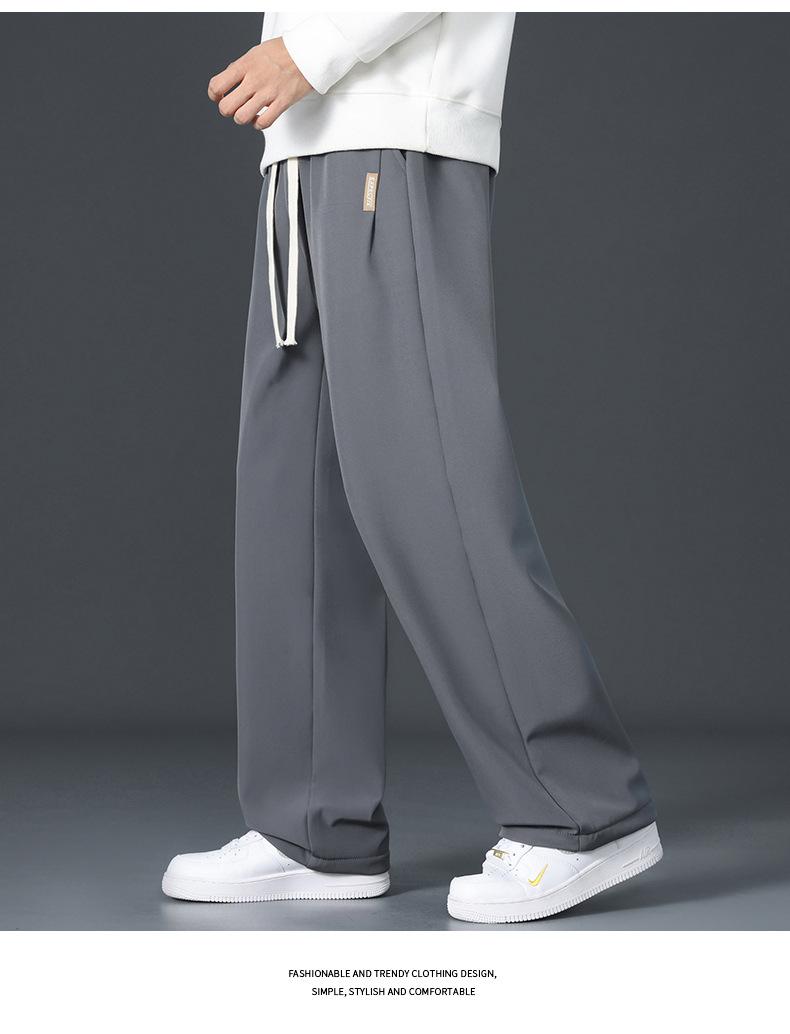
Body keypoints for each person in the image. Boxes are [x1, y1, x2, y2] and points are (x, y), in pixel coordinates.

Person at [162, 12, 662, 923]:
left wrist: (312, 50)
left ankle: (583, 809)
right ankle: (314, 827)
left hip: (392, 121)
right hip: (302, 146)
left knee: (424, 480)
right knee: (295, 497)